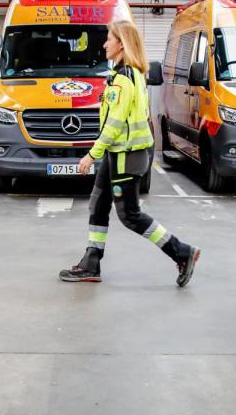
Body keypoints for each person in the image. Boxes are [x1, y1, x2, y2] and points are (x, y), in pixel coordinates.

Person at [59, 21, 200, 286]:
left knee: (130, 215)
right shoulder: (126, 74)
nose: (104, 44)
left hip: (127, 153)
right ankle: (92, 262)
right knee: (98, 202)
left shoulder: (124, 78)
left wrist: (91, 155)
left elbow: (113, 125)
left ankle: (182, 252)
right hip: (119, 152)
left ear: (121, 44)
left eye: (109, 39)